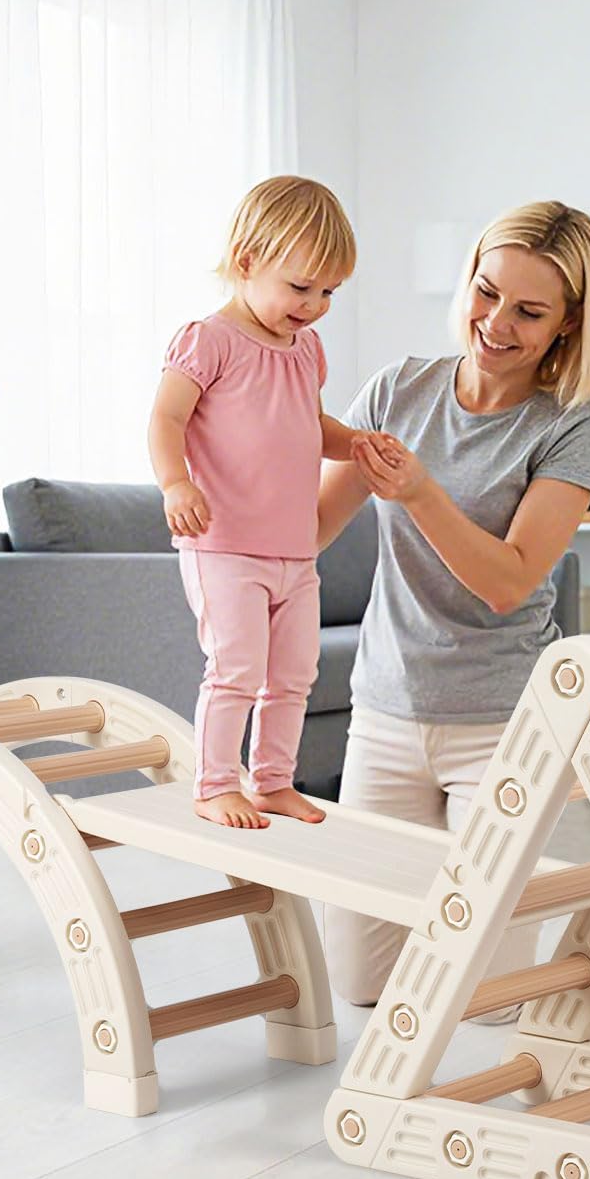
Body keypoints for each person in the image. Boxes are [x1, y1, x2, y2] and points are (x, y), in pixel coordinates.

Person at [317, 200, 590, 1005]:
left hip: (500, 724)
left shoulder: (573, 426)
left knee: (491, 998)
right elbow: (311, 527)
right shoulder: (399, 389)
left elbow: (510, 579)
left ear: (568, 322)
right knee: (360, 985)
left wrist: (420, 491)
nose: (496, 323)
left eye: (529, 311)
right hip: (385, 713)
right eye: (487, 292)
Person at [148, 175, 381, 831]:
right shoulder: (209, 339)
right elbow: (166, 419)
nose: (315, 305)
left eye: (329, 292)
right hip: (225, 547)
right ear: (247, 262)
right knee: (236, 670)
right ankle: (215, 784)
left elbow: (309, 425)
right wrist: (175, 483)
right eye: (301, 287)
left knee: (295, 675)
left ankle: (273, 781)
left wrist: (356, 443)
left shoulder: (306, 350)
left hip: (294, 553)